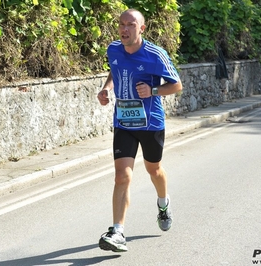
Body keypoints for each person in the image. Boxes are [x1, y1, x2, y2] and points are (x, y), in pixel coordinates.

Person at [97, 8, 182, 252]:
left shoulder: (155, 54)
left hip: (151, 123)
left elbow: (176, 85)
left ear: (141, 28)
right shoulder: (113, 49)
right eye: (121, 24)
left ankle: (163, 204)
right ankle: (117, 231)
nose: (124, 29)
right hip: (123, 123)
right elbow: (114, 70)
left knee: (154, 170)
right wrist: (107, 89)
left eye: (130, 25)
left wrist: (154, 91)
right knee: (122, 176)